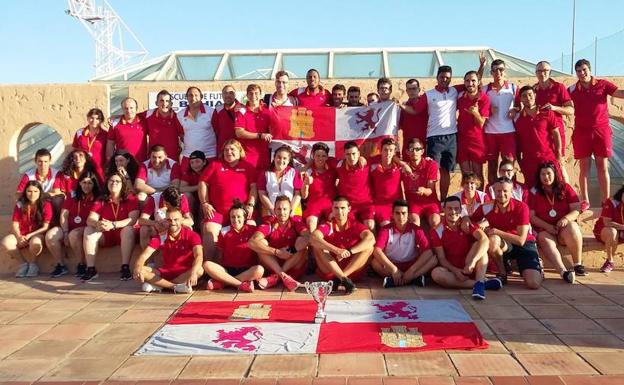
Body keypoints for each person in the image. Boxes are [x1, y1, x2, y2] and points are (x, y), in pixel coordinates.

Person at [568, 59, 624, 206]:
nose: (582, 73)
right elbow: (561, 101)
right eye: (579, 71)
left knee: (602, 165)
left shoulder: (603, 84)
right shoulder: (572, 89)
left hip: (601, 130)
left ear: (590, 70)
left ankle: (606, 200)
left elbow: (619, 93)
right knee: (584, 167)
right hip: (581, 132)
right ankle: (585, 200)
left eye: (584, 70)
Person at [469, 177, 542, 289]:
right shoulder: (487, 206)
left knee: (533, 284)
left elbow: (521, 240)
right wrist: (465, 219)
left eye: (505, 191)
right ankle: (502, 273)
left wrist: (496, 231)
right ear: (494, 191)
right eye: (498, 191)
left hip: (525, 245)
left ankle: (533, 268)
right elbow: (471, 220)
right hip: (504, 244)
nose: (501, 194)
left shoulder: (521, 207)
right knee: (493, 240)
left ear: (511, 191)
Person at [431, 196, 502, 300]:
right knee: (436, 273)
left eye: (456, 208)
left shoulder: (466, 224)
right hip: (453, 271)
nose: (453, 212)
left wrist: (472, 263)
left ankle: (479, 283)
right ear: (444, 209)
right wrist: (455, 271)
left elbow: (485, 239)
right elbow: (441, 258)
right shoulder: (437, 230)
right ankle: (480, 284)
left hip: (470, 266)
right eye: (449, 208)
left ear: (460, 210)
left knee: (481, 247)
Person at [198, 139, 257, 260]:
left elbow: (254, 187)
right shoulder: (215, 165)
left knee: (252, 226)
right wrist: (205, 203)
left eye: (232, 149)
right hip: (218, 212)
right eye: (226, 150)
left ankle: (247, 265)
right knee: (209, 230)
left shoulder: (248, 167)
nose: (228, 152)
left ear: (240, 151)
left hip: (241, 212)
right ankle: (210, 267)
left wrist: (250, 205)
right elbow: (202, 182)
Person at [529, 162, 582, 283]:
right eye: (543, 174)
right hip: (544, 229)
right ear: (539, 176)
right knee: (543, 239)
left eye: (549, 173)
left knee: (573, 227)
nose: (546, 177)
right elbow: (531, 217)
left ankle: (578, 264)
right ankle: (563, 271)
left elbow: (576, 209)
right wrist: (547, 227)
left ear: (555, 174)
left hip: (563, 227)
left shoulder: (565, 187)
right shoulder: (534, 191)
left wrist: (566, 219)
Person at [310, 196, 375, 294]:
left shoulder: (354, 224)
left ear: (349, 209)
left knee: (369, 247)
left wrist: (349, 251)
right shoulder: (329, 225)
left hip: (351, 271)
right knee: (317, 245)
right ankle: (343, 279)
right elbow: (313, 238)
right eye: (336, 208)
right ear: (332, 209)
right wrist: (337, 250)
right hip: (330, 271)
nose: (339, 212)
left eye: (342, 208)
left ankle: (341, 278)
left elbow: (371, 239)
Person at [82, 171, 139, 281]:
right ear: (107, 183)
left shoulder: (130, 198)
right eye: (111, 180)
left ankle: (125, 267)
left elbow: (132, 219)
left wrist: (113, 225)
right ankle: (91, 269)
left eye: (117, 181)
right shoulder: (101, 199)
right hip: (106, 234)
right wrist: (97, 223)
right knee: (89, 229)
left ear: (123, 184)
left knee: (128, 229)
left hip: (122, 233)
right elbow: (90, 219)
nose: (114, 183)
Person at [133, 208, 203, 294]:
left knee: (199, 270)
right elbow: (144, 255)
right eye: (169, 220)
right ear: (166, 221)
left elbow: (199, 255)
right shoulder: (161, 236)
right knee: (141, 270)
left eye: (176, 220)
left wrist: (193, 272)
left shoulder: (192, 235)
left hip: (184, 272)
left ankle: (160, 285)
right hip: (165, 272)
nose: (173, 223)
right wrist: (137, 268)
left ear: (182, 220)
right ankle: (174, 287)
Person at [45, 171, 101, 278]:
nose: (86, 185)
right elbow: (64, 215)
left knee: (74, 235)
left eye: (90, 183)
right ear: (79, 183)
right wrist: (65, 232)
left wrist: (69, 234)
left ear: (94, 184)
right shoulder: (73, 195)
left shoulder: (98, 197)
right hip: (69, 227)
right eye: (84, 182)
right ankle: (61, 265)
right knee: (50, 235)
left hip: (87, 227)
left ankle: (81, 264)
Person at [526, 61, 574, 183]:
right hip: (541, 137)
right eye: (539, 71)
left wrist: (554, 108)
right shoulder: (533, 91)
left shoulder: (559, 87)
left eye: (545, 70)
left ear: (550, 72)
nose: (543, 73)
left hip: (556, 134)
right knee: (542, 168)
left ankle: (568, 195)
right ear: (536, 73)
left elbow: (570, 110)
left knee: (559, 165)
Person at [248, 196, 309, 291]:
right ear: (275, 210)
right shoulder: (269, 224)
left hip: (292, 264)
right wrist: (277, 252)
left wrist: (290, 251)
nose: (282, 212)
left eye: (285, 209)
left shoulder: (296, 223)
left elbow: (309, 237)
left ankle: (277, 276)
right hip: (273, 264)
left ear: (290, 210)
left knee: (302, 243)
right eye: (279, 209)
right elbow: (252, 242)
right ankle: (283, 276)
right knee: (260, 243)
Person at [203, 200, 266, 292]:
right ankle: (240, 284)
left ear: (244, 218)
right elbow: (220, 254)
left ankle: (224, 282)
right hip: (228, 269)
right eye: (233, 217)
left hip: (247, 270)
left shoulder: (253, 230)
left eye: (238, 216)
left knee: (259, 270)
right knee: (207, 265)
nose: (235, 220)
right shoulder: (224, 231)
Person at [373, 200, 437, 288]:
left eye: (404, 213)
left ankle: (397, 280)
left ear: (408, 215)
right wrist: (394, 269)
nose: (401, 216)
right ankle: (413, 280)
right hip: (391, 265)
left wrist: (411, 271)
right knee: (374, 262)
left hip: (412, 265)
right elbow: (377, 250)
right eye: (397, 213)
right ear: (392, 214)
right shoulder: (386, 229)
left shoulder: (416, 229)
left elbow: (428, 252)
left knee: (434, 260)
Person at [1, 181, 52, 278]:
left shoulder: (46, 204)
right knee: (6, 242)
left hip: (37, 234)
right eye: (29, 191)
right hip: (22, 233)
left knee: (35, 243)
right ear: (25, 192)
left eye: (35, 191)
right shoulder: (20, 204)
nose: (32, 194)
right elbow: (15, 223)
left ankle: (33, 264)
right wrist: (19, 236)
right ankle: (23, 264)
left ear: (40, 192)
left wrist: (29, 235)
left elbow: (45, 227)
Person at [514, 86, 562, 188]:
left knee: (555, 187)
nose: (528, 98)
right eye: (524, 96)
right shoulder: (517, 118)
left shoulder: (547, 112)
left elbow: (556, 133)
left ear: (535, 95)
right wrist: (520, 163)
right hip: (529, 161)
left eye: (530, 95)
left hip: (548, 158)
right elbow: (517, 143)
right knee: (533, 191)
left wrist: (558, 154)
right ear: (521, 99)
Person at [482, 59, 518, 185]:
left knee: (509, 165)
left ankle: (512, 195)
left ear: (505, 71)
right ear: (491, 72)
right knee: (492, 166)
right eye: (495, 70)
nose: (498, 72)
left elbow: (521, 105)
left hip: (508, 132)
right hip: (490, 133)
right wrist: (488, 109)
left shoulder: (513, 88)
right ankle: (492, 196)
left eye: (501, 69)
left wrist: (516, 109)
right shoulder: (485, 89)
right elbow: (478, 104)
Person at [457, 71, 489, 182]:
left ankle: (480, 199)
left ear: (478, 82)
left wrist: (475, 113)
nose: (470, 83)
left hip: (477, 140)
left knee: (478, 174)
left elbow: (481, 123)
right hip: (462, 139)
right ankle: (466, 198)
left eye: (473, 80)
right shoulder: (460, 97)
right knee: (465, 174)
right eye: (467, 81)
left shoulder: (484, 98)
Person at [401, 138, 441, 228]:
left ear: (422, 151)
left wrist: (423, 190)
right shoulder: (404, 167)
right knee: (415, 223)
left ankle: (436, 242)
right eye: (411, 149)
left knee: (435, 222)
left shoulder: (431, 164)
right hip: (413, 203)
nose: (414, 152)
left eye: (417, 149)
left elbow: (431, 190)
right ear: (407, 151)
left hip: (430, 202)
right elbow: (390, 157)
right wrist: (402, 164)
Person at [336, 141, 375, 230]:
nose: (351, 157)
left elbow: (386, 157)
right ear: (344, 155)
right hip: (348, 206)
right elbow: (319, 160)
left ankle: (372, 244)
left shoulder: (367, 164)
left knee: (370, 225)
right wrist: (306, 166)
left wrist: (403, 164)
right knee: (348, 227)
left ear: (358, 153)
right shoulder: (339, 166)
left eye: (354, 154)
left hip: (366, 204)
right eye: (348, 154)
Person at [258, 145, 303, 219]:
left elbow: (297, 194)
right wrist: (271, 209)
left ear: (288, 161)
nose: (281, 160)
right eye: (279, 157)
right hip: (271, 212)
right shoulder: (265, 173)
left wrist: (291, 209)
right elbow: (262, 194)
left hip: (291, 212)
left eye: (284, 158)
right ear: (274, 158)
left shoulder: (294, 173)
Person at [177, 86, 217, 170]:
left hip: (209, 155)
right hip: (188, 156)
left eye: (196, 95)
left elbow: (218, 132)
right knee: (185, 183)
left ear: (201, 97)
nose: (193, 98)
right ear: (187, 97)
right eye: (190, 95)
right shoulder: (180, 115)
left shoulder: (211, 112)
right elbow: (181, 135)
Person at [301, 142, 337, 232]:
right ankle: (314, 245)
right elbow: (304, 196)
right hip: (314, 206)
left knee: (337, 222)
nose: (320, 158)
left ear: (327, 157)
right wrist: (306, 184)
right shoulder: (308, 172)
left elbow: (346, 163)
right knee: (311, 226)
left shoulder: (333, 169)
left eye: (323, 156)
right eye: (317, 156)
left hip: (330, 205)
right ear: (313, 156)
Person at [235, 84, 272, 168]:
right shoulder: (241, 111)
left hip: (263, 156)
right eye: (251, 93)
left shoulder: (267, 112)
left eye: (256, 93)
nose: (253, 96)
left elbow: (272, 131)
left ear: (261, 95)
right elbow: (239, 133)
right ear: (247, 95)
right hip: (246, 155)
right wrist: (260, 135)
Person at [143, 89, 184, 162]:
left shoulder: (178, 118)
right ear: (156, 103)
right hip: (154, 161)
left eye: (167, 101)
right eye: (161, 101)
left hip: (172, 161)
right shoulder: (148, 115)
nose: (164, 104)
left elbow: (184, 137)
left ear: (171, 103)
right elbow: (132, 116)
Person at [370, 138, 403, 227]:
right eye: (385, 150)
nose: (388, 153)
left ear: (394, 152)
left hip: (397, 204)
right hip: (380, 205)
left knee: (402, 225)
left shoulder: (400, 165)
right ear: (380, 150)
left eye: (391, 150)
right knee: (387, 226)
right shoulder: (372, 163)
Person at [592, 184, 624, 273]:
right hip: (605, 231)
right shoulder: (611, 202)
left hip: (621, 232)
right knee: (613, 232)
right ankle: (610, 261)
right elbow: (607, 223)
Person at [107, 97, 148, 162]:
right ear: (122, 109)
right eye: (126, 108)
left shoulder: (144, 121)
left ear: (136, 108)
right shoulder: (114, 123)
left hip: (142, 163)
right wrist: (110, 161)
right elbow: (110, 144)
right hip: (122, 163)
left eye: (131, 108)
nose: (129, 111)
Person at [72, 108, 108, 174]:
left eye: (97, 119)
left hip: (99, 168)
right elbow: (75, 150)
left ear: (101, 120)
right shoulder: (80, 132)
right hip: (82, 168)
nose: (94, 121)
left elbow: (109, 151)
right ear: (88, 118)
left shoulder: (105, 134)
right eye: (91, 118)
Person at [398, 79, 428, 158]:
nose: (412, 91)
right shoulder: (403, 107)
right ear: (406, 91)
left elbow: (415, 111)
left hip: (424, 145)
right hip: (408, 147)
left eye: (414, 89)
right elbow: (399, 126)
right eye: (409, 89)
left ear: (419, 89)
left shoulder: (426, 103)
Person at [213, 85, 243, 153]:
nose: (228, 95)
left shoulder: (243, 109)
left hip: (239, 148)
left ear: (235, 95)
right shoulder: (218, 110)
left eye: (231, 93)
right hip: (223, 148)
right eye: (225, 93)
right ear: (222, 95)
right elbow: (215, 129)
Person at [179, 150, 208, 219]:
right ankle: (189, 220)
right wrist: (200, 186)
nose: (194, 165)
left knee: (203, 203)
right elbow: (181, 188)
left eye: (197, 161)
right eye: (192, 162)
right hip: (193, 201)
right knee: (186, 195)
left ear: (204, 162)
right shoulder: (188, 173)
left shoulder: (209, 171)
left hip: (206, 200)